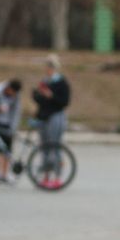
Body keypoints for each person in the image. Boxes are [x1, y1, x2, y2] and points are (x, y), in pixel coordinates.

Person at [31, 54, 71, 188]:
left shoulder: (61, 82)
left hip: (56, 116)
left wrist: (51, 95)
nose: (48, 69)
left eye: (50, 67)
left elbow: (64, 101)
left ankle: (57, 176)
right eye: (46, 66)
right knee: (44, 147)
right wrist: (37, 94)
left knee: (55, 146)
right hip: (44, 117)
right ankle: (46, 175)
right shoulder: (45, 81)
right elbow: (40, 101)